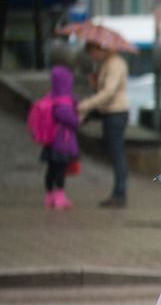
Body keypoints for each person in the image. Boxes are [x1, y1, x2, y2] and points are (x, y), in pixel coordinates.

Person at [78, 41, 130, 208]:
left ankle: (119, 193)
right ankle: (118, 192)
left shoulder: (115, 64)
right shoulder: (107, 64)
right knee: (114, 151)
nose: (93, 56)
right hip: (108, 111)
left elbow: (109, 91)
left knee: (117, 153)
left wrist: (86, 104)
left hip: (116, 111)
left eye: (93, 52)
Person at [37, 65, 80, 209]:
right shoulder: (64, 102)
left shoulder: (50, 97)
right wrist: (78, 118)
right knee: (60, 170)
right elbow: (71, 120)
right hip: (62, 143)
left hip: (50, 142)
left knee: (50, 169)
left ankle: (48, 195)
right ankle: (59, 196)